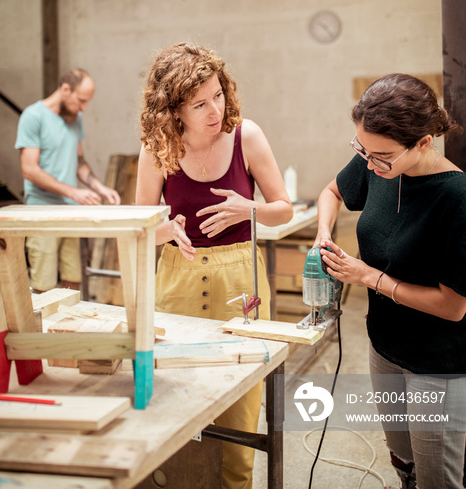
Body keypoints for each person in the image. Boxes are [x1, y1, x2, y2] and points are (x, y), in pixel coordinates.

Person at [136, 42, 293, 489]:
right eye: (199, 103)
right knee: (174, 395)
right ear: (173, 111)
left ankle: (236, 481)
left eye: (218, 96)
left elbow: (284, 207)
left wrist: (250, 209)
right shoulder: (157, 147)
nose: (214, 110)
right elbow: (138, 221)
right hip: (177, 276)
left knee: (241, 399)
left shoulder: (247, 135)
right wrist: (162, 230)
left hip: (239, 275)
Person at [315, 73, 466, 489]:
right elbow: (332, 191)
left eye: (381, 156)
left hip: (435, 364)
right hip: (384, 344)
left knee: (438, 479)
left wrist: (369, 277)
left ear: (423, 143)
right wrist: (323, 231)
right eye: (361, 149)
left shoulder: (455, 198)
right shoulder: (378, 163)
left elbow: (454, 307)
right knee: (404, 462)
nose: (369, 163)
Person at [15, 68, 121, 293]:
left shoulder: (75, 117)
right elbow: (29, 170)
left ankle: (66, 328)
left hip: (70, 212)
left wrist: (100, 187)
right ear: (65, 89)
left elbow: (79, 161)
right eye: (81, 101)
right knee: (43, 285)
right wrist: (73, 192)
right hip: (41, 212)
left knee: (73, 281)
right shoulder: (33, 117)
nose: (84, 108)